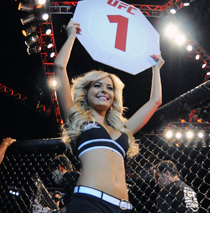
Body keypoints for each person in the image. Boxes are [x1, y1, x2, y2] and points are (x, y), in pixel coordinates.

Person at [54, 18, 165, 213]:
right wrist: (71, 36)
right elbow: (59, 68)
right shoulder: (78, 121)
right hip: (89, 202)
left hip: (123, 208)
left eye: (110, 88)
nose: (104, 90)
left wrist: (156, 69)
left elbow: (155, 101)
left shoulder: (122, 129)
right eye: (97, 85)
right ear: (86, 92)